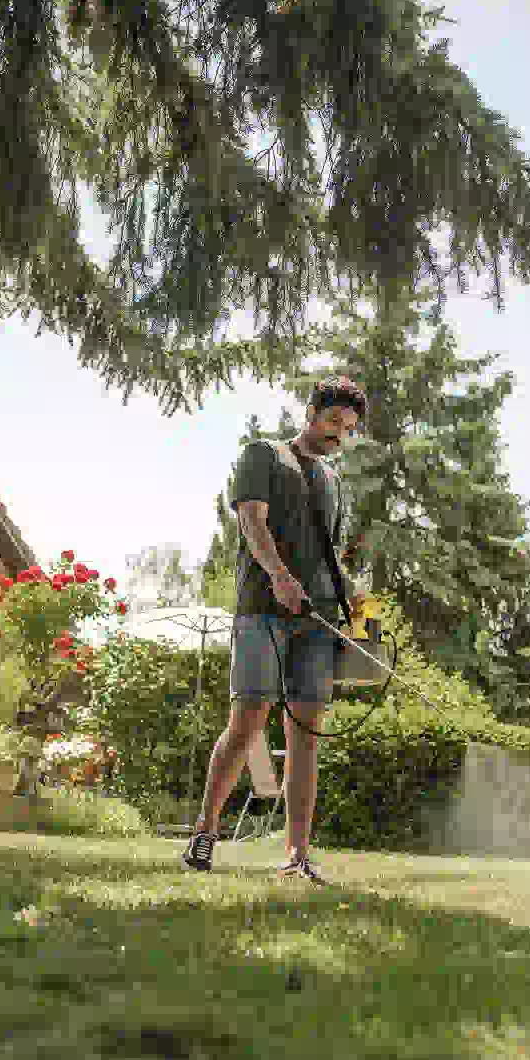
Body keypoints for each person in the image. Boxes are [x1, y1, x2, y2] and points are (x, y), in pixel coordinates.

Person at [182, 375, 366, 884]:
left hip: (317, 619)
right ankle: (205, 831)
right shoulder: (263, 455)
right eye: (333, 420)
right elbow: (251, 522)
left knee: (306, 734)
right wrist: (280, 576)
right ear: (311, 412)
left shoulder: (333, 482)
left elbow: (328, 553)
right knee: (248, 720)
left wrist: (348, 590)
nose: (338, 433)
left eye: (348, 428)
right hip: (262, 609)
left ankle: (297, 855)